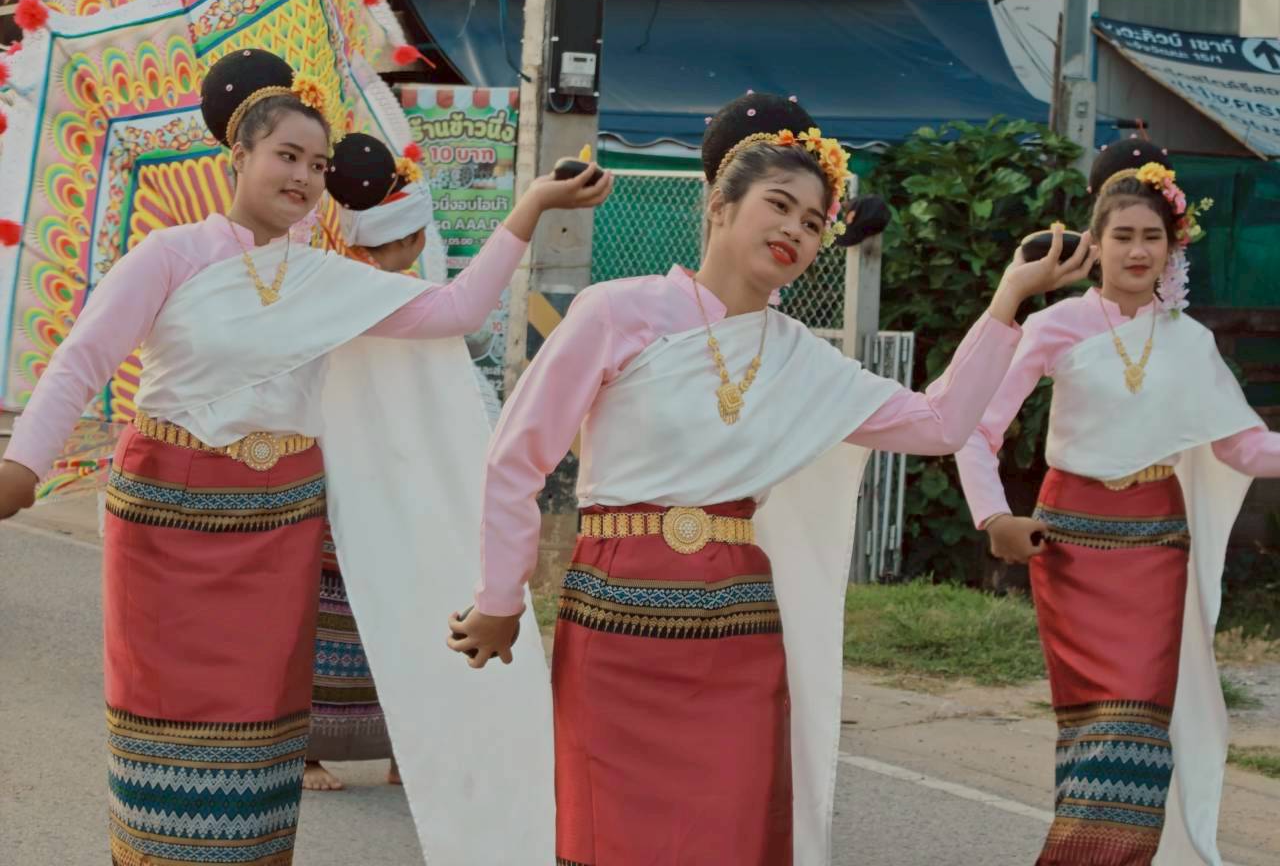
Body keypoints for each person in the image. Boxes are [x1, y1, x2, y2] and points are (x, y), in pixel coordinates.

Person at [447, 92, 1097, 865]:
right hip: (614, 623)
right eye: (779, 205)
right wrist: (500, 599)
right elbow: (516, 456)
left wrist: (1008, 300)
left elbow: (939, 425)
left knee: (730, 837)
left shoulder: (800, 357)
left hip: (737, 633)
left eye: (814, 222)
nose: (795, 229)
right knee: (608, 838)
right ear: (720, 206)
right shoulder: (616, 311)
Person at [0, 47, 609, 864]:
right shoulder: (170, 255)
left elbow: (456, 309)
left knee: (257, 748)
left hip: (276, 527)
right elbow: (83, 360)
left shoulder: (323, 278)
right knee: (163, 733)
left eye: (318, 166)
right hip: (166, 523)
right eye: (287, 155)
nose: (304, 177)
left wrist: (529, 206)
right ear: (239, 155)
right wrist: (24, 466)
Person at [955, 139, 1280, 866]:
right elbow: (975, 427)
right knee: (1092, 735)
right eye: (1123, 236)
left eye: (1152, 237)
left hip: (1155, 549)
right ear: (1094, 244)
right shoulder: (1052, 326)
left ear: (1172, 248)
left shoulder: (1191, 342)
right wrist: (993, 516)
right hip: (1070, 548)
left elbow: (1245, 450)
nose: (1137, 251)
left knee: (1138, 739)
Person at [303, 132, 434, 791]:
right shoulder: (373, 291)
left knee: (349, 613)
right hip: (363, 467)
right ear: (407, 238)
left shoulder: (337, 284)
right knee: (376, 612)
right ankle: (328, 752)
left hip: (360, 466)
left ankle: (390, 750)